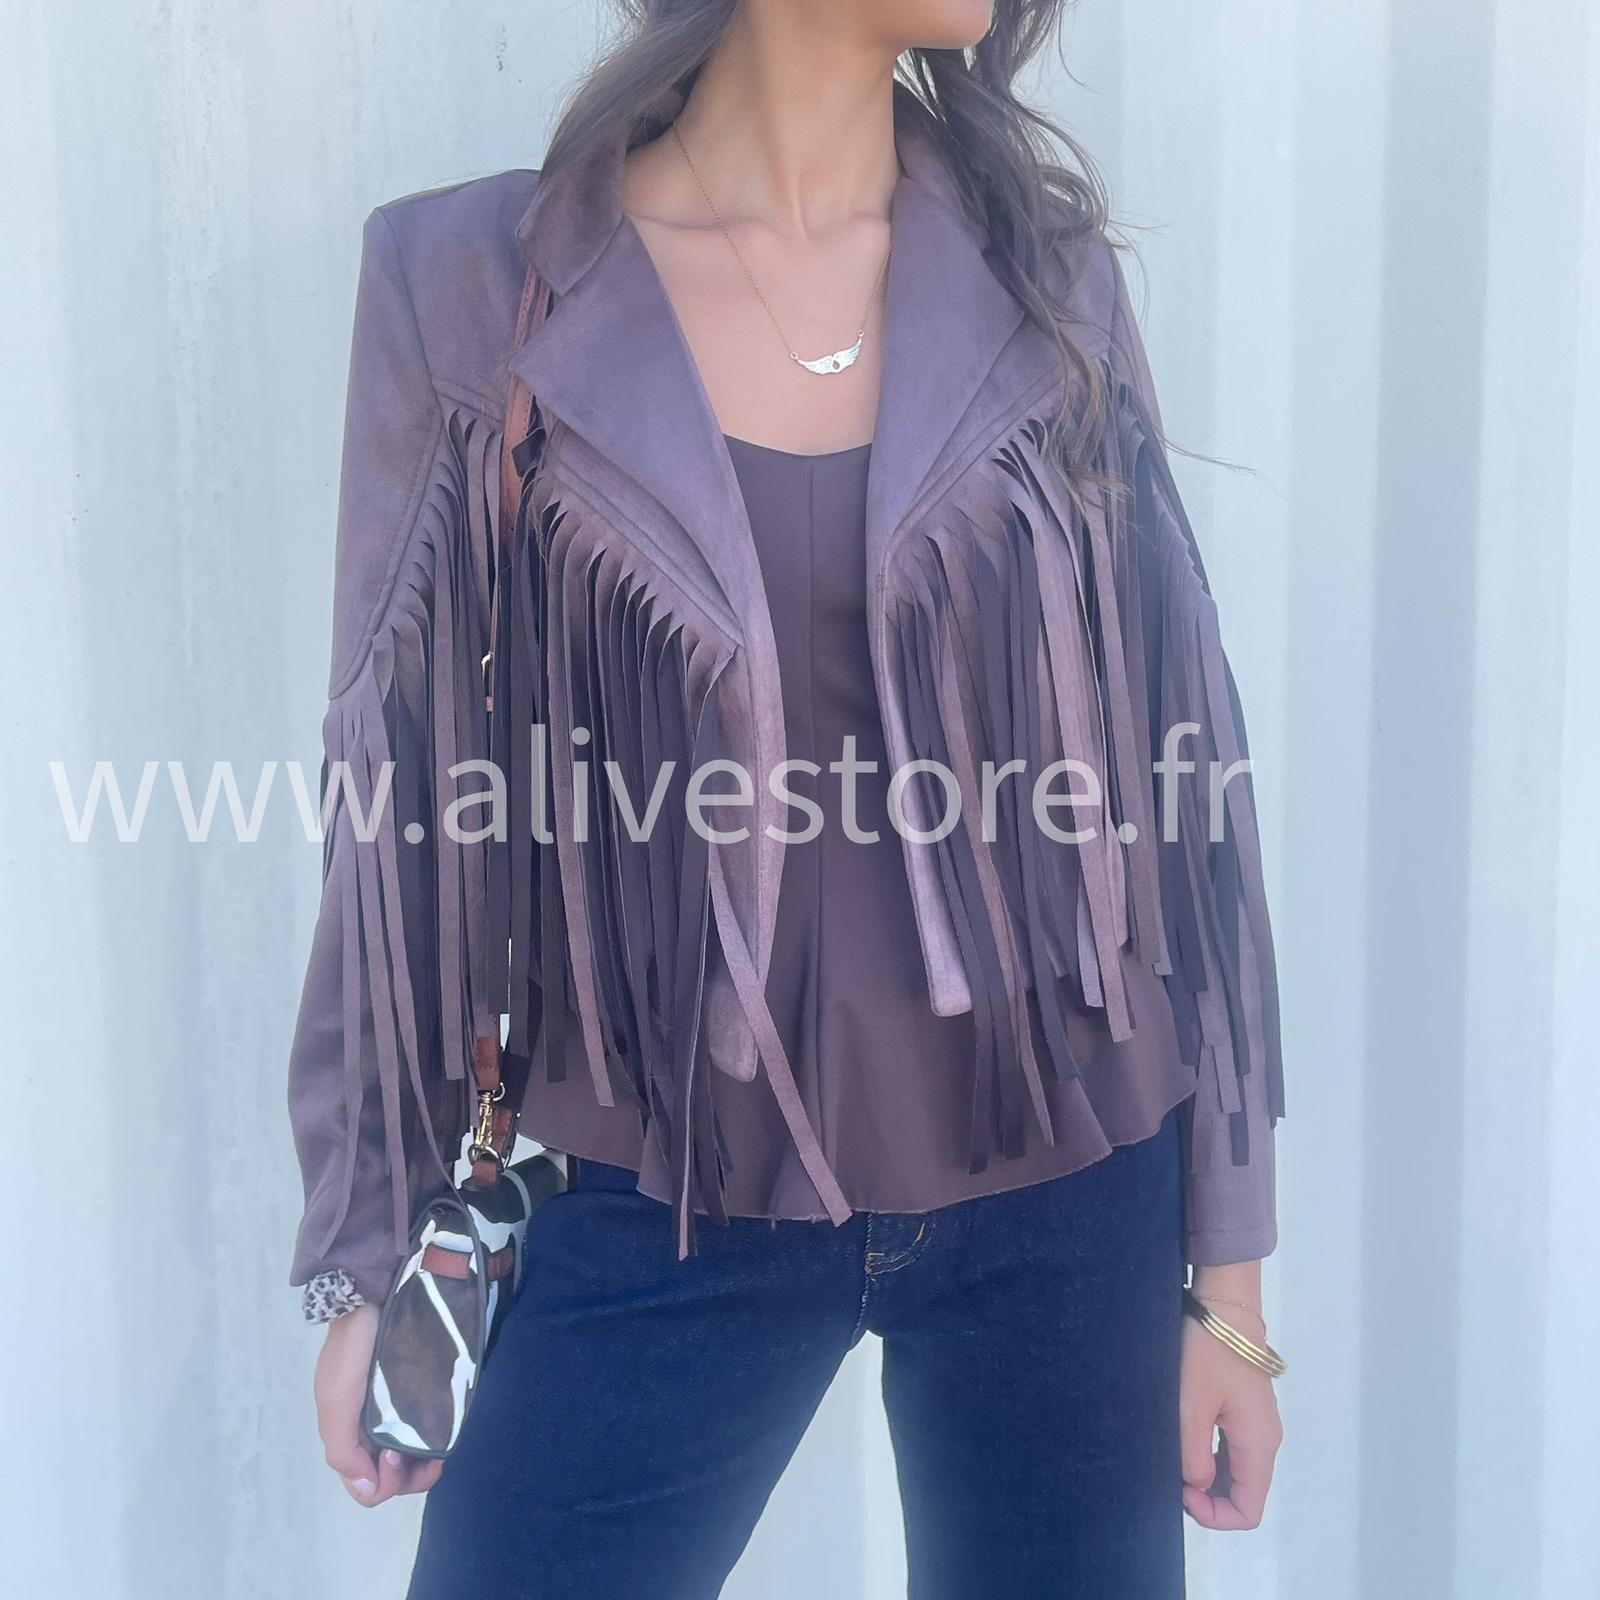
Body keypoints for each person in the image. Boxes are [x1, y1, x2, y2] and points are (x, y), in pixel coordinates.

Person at [288, 2, 1287, 1594]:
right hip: (659, 1189)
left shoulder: (1044, 275)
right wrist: (361, 1258)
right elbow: (402, 791)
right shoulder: (473, 290)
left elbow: (1179, 769)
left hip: (1065, 1193)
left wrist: (1226, 1285)